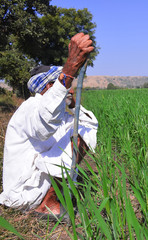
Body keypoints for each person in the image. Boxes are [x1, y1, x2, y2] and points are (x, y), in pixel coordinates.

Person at [0, 33, 98, 219]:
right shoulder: (32, 107)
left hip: (39, 187)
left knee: (82, 135)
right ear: (48, 87)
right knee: (76, 141)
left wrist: (72, 105)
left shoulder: (60, 110)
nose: (67, 87)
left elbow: (89, 126)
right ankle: (46, 206)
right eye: (60, 83)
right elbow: (45, 126)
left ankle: (54, 199)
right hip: (26, 193)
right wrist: (68, 71)